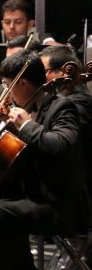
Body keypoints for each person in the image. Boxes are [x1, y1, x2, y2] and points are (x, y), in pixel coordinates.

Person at [0, 50, 88, 270]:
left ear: (23, 83)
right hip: (32, 197)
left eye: (8, 85)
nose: (6, 92)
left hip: (58, 204)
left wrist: (27, 125)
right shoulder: (27, 109)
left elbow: (61, 145)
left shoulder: (61, 107)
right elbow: (11, 157)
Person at [38, 45, 92, 195]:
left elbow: (58, 146)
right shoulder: (57, 98)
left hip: (68, 190)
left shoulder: (79, 103)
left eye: (43, 72)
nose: (38, 78)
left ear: (63, 72)